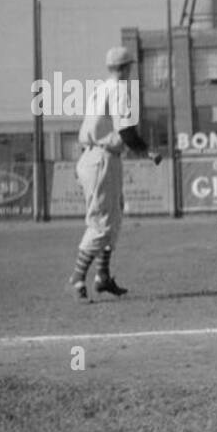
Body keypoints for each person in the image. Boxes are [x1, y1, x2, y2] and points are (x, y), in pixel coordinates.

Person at [67, 46, 161, 302]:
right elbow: (127, 131)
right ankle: (77, 278)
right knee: (100, 223)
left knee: (114, 217)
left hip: (96, 156)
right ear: (126, 67)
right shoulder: (119, 90)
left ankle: (102, 277)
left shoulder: (100, 88)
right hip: (101, 158)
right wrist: (147, 151)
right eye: (130, 65)